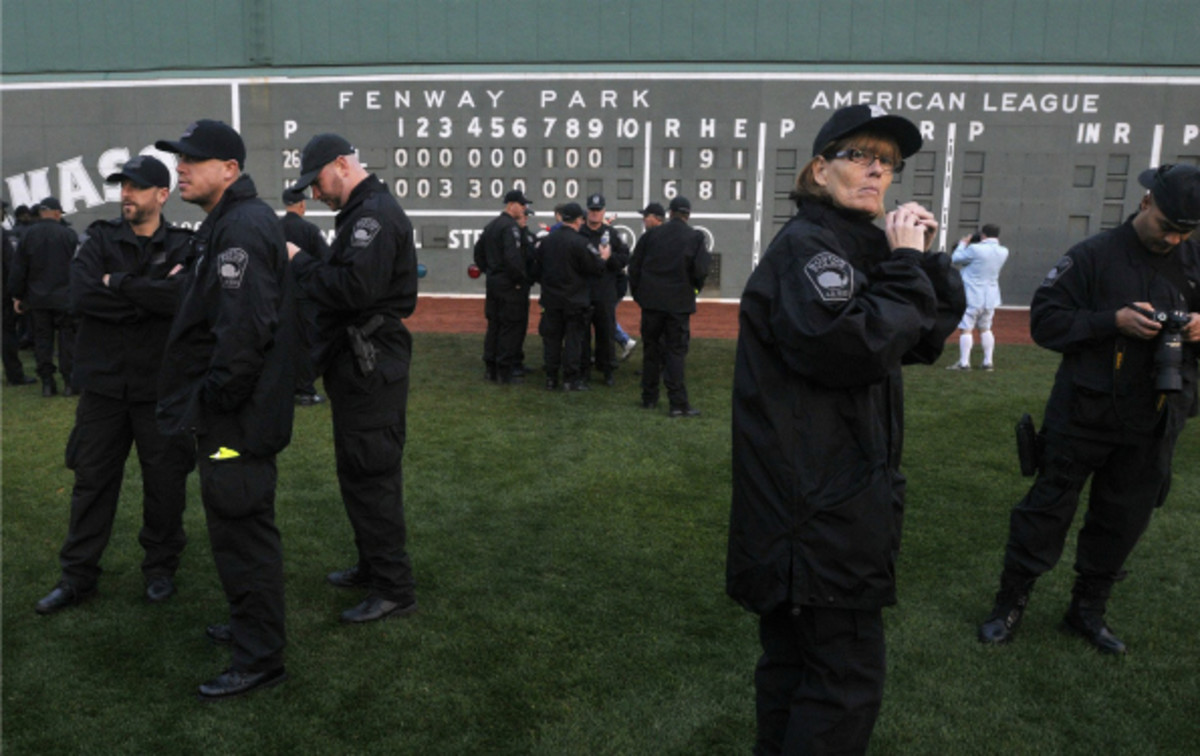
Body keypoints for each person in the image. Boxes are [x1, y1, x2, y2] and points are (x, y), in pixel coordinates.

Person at [725, 104, 965, 754]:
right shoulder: (810, 248)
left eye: (887, 161)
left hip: (821, 498)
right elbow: (850, 346)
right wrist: (907, 267)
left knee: (797, 670)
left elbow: (919, 339)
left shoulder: (853, 245)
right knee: (843, 681)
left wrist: (921, 259)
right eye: (860, 154)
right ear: (819, 168)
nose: (877, 169)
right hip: (817, 508)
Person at [977, 163, 1200, 655]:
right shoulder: (1094, 255)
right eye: (1168, 227)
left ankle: (1088, 610)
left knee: (1122, 521)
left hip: (1155, 420)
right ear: (1146, 204)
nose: (1174, 239)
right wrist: (1110, 321)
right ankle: (1009, 605)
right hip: (1084, 415)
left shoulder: (1192, 258)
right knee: (1045, 513)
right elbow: (1046, 321)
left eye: (1186, 232)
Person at [155, 119, 296, 700]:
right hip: (232, 412)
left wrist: (211, 403)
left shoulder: (239, 227)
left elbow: (244, 335)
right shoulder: (230, 223)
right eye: (178, 157)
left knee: (243, 532)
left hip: (235, 418)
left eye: (192, 159)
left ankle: (259, 658)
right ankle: (248, 627)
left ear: (229, 170)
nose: (180, 167)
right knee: (233, 527)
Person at [33, 156, 196, 615]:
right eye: (123, 185)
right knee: (91, 482)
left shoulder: (184, 245)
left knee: (165, 485)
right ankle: (77, 576)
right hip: (104, 389)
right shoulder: (100, 238)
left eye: (137, 187)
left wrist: (119, 285)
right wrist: (147, 297)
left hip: (160, 390)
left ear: (162, 195)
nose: (126, 193)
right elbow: (82, 296)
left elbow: (182, 300)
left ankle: (161, 569)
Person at [287, 132, 421, 624]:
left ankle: (394, 588)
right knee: (359, 470)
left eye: (317, 182)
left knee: (372, 472)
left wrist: (298, 262)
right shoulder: (363, 213)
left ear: (342, 165)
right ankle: (372, 566)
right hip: (361, 361)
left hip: (371, 361)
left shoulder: (373, 216)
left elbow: (352, 289)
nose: (314, 194)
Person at [629, 196, 711, 416]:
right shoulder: (694, 237)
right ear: (688, 215)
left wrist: (640, 296)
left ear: (670, 212)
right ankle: (677, 403)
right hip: (678, 305)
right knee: (675, 352)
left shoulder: (651, 236)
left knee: (651, 350)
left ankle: (649, 398)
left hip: (652, 304)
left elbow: (634, 268)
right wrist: (692, 291)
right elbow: (701, 271)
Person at [533, 202, 611, 390]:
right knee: (573, 341)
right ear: (578, 220)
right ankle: (570, 380)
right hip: (575, 300)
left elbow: (535, 270)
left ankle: (551, 379)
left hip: (551, 299)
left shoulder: (547, 241)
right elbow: (596, 268)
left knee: (552, 341)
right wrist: (604, 258)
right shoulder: (580, 242)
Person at [9, 196, 80, 396]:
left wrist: (17, 296)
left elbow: (19, 269)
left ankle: (47, 383)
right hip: (65, 298)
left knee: (42, 341)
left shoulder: (28, 235)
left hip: (38, 299)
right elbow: (79, 267)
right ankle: (69, 382)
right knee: (67, 341)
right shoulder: (69, 235)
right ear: (57, 213)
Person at [280, 187, 331, 406]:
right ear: (301, 205)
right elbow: (326, 260)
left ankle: (284, 388)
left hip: (279, 296)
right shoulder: (309, 230)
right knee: (309, 342)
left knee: (283, 342)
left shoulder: (273, 228)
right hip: (305, 296)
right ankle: (305, 390)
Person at [477, 189, 532, 384]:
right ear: (511, 205)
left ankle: (490, 369)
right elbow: (513, 259)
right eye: (522, 205)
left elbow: (478, 254)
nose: (524, 208)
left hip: (493, 283)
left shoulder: (491, 226)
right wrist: (519, 280)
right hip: (509, 285)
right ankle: (504, 372)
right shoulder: (510, 227)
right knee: (510, 327)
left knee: (494, 325)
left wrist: (491, 271)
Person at [579, 193, 631, 387]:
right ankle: (583, 371)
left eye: (598, 210)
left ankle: (607, 370)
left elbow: (624, 259)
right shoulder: (579, 233)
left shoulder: (612, 234)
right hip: (583, 292)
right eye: (592, 210)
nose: (594, 213)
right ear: (587, 211)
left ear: (604, 211)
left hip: (604, 292)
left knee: (606, 334)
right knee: (582, 334)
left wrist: (609, 259)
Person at [946, 223, 1010, 370]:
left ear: (983, 235)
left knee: (966, 329)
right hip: (991, 296)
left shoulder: (975, 249)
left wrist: (963, 244)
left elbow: (956, 259)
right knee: (985, 328)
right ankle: (988, 362)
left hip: (972, 294)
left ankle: (964, 363)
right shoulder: (1004, 251)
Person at [2, 200, 36, 386]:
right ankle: (15, 375)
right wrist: (16, 293)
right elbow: (10, 266)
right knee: (7, 336)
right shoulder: (4, 236)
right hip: (3, 295)